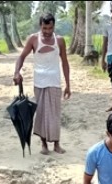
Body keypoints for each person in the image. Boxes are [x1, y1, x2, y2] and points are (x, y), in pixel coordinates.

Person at [13, 13, 71, 155]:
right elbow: (21, 57)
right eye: (44, 28)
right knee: (42, 113)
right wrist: (16, 72)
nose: (47, 31)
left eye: (50, 28)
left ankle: (57, 144)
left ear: (53, 26)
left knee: (55, 114)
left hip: (55, 82)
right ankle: (44, 144)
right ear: (40, 26)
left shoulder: (60, 41)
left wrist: (68, 84)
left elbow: (65, 62)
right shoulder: (33, 39)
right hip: (39, 82)